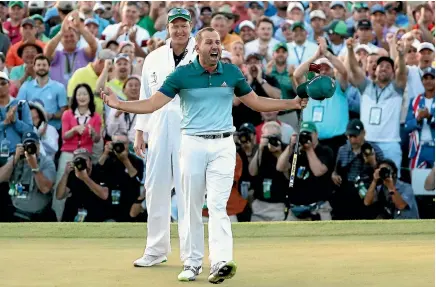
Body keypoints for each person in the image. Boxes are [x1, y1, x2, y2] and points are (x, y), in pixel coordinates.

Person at [102, 26, 307, 283]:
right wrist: (119, 104)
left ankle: (220, 261)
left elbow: (256, 101)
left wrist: (291, 103)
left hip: (223, 145)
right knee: (192, 205)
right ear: (196, 47)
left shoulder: (231, 72)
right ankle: (192, 263)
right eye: (209, 42)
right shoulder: (182, 75)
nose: (215, 46)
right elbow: (153, 103)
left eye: (218, 42)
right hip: (193, 144)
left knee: (218, 206)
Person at [131, 8, 198, 269]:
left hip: (189, 129)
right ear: (167, 28)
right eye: (175, 25)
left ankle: (190, 255)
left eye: (184, 25)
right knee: (154, 187)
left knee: (187, 193)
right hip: (158, 129)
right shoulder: (154, 57)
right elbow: (146, 98)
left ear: (191, 26)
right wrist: (140, 131)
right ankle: (155, 249)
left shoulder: (200, 55)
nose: (180, 30)